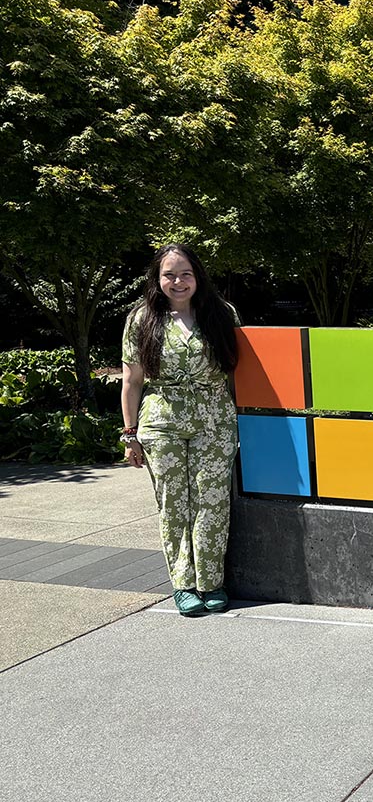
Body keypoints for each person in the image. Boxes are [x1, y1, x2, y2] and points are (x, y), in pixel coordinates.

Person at [121, 244, 241, 617]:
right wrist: (130, 435)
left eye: (185, 273)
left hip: (215, 421)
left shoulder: (222, 314)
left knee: (212, 501)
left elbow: (238, 374)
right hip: (162, 422)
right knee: (174, 505)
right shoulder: (142, 319)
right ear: (157, 279)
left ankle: (211, 582)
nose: (178, 281)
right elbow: (132, 381)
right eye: (169, 274)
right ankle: (183, 585)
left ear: (197, 276)